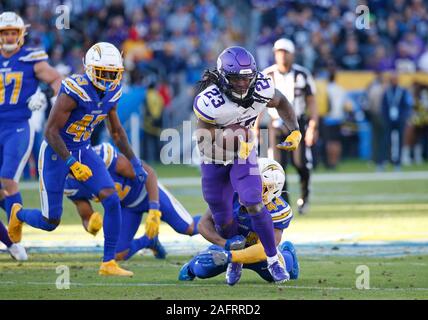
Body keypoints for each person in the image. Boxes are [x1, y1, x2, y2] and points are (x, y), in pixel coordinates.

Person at [8, 42, 146, 276]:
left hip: (83, 148)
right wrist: (71, 163)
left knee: (111, 199)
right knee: (51, 221)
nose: (109, 78)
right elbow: (51, 131)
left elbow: (116, 132)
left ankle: (108, 263)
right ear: (91, 69)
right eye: (104, 72)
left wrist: (134, 161)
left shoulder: (113, 91)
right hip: (55, 151)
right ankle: (18, 213)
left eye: (114, 73)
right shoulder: (74, 89)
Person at [193, 46, 301, 283]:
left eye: (246, 77)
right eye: (235, 78)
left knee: (253, 200)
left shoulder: (261, 86)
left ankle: (273, 260)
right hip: (215, 158)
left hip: (244, 153)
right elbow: (203, 143)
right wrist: (230, 143)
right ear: (223, 78)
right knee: (223, 220)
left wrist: (295, 130)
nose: (242, 83)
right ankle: (237, 260)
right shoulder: (210, 101)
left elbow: (281, 101)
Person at [64, 142, 201, 260]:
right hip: (126, 207)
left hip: (146, 192)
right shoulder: (69, 185)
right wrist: (91, 226)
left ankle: (217, 219)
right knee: (116, 254)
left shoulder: (104, 158)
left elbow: (148, 173)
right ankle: (149, 240)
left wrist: (154, 208)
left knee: (188, 228)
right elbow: (85, 216)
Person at [178, 158, 299, 285]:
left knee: (276, 273)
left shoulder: (278, 209)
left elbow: (265, 248)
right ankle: (190, 267)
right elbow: (203, 224)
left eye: (255, 183)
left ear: (271, 189)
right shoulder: (233, 194)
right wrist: (225, 244)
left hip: (257, 255)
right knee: (202, 269)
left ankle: (288, 252)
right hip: (229, 247)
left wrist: (231, 257)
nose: (247, 187)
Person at [0, 12, 61, 223]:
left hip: (16, 127)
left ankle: (14, 236)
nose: (8, 37)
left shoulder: (30, 59)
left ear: (21, 34)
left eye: (12, 32)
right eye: (5, 33)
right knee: (3, 187)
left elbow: (56, 80)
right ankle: (16, 224)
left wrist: (43, 95)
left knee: (8, 178)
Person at [264, 38, 318, 214]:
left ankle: (305, 196)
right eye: (279, 52)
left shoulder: (302, 74)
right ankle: (284, 203)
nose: (282, 55)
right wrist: (255, 128)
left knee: (301, 163)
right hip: (275, 125)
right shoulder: (267, 75)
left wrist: (312, 126)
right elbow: (257, 105)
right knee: (277, 167)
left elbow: (312, 102)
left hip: (297, 124)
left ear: (293, 54)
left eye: (285, 52)